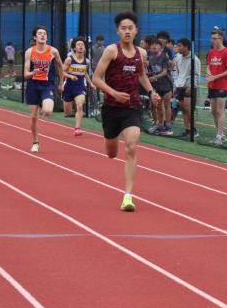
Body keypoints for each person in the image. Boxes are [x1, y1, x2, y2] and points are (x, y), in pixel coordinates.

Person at [91, 12, 161, 211]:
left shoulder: (142, 53)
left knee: (131, 146)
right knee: (111, 153)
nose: (127, 31)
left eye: (131, 28)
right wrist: (114, 93)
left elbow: (141, 75)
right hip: (111, 108)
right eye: (123, 28)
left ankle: (128, 196)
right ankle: (111, 139)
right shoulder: (111, 51)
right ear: (118, 31)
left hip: (132, 107)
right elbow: (96, 79)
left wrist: (151, 92)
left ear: (136, 30)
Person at [24, 26, 65, 152]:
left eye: (45, 34)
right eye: (40, 33)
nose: (42, 35)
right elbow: (26, 74)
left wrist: (61, 83)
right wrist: (34, 72)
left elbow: (60, 66)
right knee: (33, 117)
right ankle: (35, 142)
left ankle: (43, 106)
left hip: (47, 85)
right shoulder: (29, 52)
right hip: (33, 86)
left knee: (47, 111)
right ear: (35, 37)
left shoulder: (53, 51)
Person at [206, 29, 227, 144]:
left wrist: (215, 77)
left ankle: (218, 137)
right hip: (212, 85)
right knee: (213, 111)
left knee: (219, 111)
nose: (213, 41)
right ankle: (221, 135)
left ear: (221, 39)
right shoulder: (211, 52)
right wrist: (209, 74)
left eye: (215, 38)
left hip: (222, 85)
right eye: (212, 38)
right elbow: (208, 66)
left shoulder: (226, 52)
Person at [60, 37, 91, 136]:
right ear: (74, 48)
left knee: (80, 105)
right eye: (78, 44)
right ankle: (69, 111)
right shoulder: (69, 59)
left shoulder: (87, 61)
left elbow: (85, 73)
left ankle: (77, 128)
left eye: (82, 44)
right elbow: (62, 72)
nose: (81, 46)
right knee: (67, 113)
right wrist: (70, 76)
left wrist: (91, 83)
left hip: (80, 86)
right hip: (69, 87)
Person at [172, 38, 200, 138]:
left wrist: (191, 86)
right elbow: (176, 73)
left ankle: (194, 130)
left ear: (186, 47)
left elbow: (196, 74)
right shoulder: (178, 58)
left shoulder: (194, 59)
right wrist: (175, 85)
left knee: (189, 109)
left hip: (189, 87)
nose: (177, 47)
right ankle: (187, 130)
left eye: (180, 46)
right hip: (180, 86)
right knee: (183, 109)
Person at [146, 37, 174, 135]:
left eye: (156, 45)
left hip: (166, 85)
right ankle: (161, 126)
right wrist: (147, 74)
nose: (154, 46)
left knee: (167, 105)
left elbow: (165, 72)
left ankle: (168, 127)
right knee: (158, 106)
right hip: (157, 86)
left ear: (160, 47)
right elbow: (151, 71)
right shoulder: (150, 58)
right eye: (152, 45)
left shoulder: (164, 56)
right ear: (149, 47)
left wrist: (155, 77)